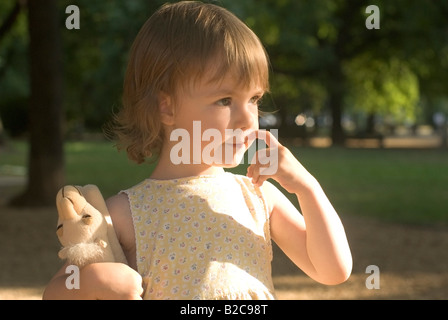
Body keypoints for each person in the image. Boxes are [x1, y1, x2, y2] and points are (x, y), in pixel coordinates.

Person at [43, 1, 351, 300]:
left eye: (254, 99)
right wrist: (92, 281)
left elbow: (333, 270)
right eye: (225, 100)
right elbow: (54, 293)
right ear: (167, 106)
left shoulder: (257, 196)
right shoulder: (125, 213)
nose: (248, 119)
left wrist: (307, 188)